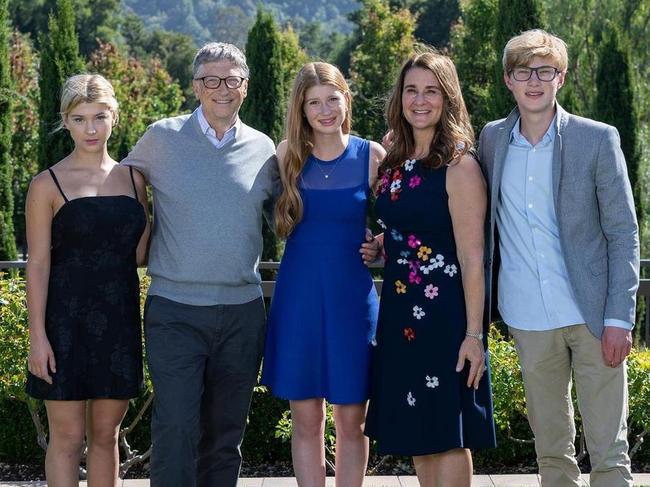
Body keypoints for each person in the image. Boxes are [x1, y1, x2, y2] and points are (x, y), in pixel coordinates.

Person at [479, 29, 639, 487]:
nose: (534, 81)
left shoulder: (597, 139)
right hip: (528, 317)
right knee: (551, 452)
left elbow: (624, 233)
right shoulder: (491, 140)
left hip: (593, 317)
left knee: (610, 452)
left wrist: (619, 317)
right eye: (523, 71)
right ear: (508, 80)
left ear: (561, 78)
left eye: (545, 71)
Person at [121, 42, 279, 487]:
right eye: (211, 79)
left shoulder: (264, 150)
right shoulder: (161, 138)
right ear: (195, 86)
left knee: (227, 435)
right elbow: (117, 181)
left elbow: (291, 219)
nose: (221, 89)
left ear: (245, 87)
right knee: (176, 429)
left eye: (232, 80)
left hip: (242, 312)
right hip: (174, 309)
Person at [362, 49, 496, 487]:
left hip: (445, 320)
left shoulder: (459, 165)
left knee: (448, 431)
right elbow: (412, 225)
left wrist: (474, 336)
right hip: (400, 317)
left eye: (431, 91)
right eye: (412, 90)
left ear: (448, 98)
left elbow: (473, 256)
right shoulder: (396, 160)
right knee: (418, 432)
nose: (420, 100)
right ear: (400, 97)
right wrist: (387, 245)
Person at [261, 62, 384, 487]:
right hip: (299, 298)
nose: (325, 109)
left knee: (353, 421)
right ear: (302, 108)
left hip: (352, 298)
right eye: (314, 102)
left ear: (346, 99)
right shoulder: (286, 155)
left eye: (332, 98)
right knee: (306, 420)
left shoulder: (373, 155)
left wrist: (381, 243)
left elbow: (400, 223)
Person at [25, 74, 150, 487]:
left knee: (106, 435)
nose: (91, 129)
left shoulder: (135, 180)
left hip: (119, 322)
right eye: (79, 119)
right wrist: (37, 337)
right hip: (64, 326)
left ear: (114, 116)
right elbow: (38, 264)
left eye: (100, 117)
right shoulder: (46, 184)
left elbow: (140, 253)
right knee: (66, 438)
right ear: (66, 121)